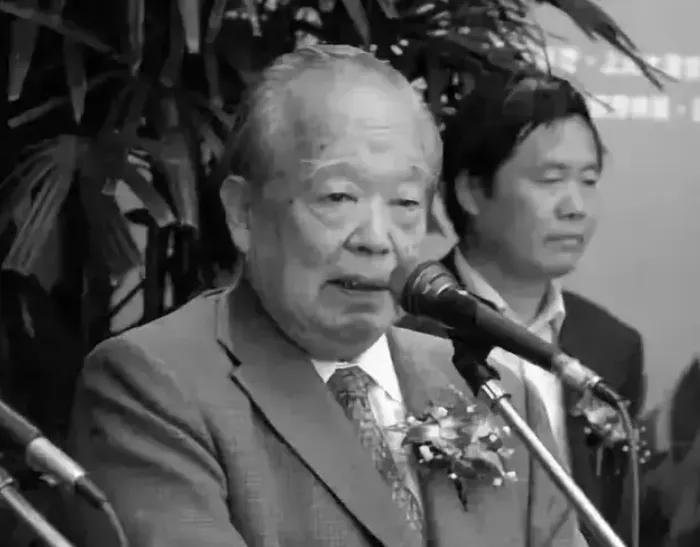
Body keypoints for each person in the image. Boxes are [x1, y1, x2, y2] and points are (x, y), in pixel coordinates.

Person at [64, 46, 588, 547]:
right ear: (243, 212)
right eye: (339, 196)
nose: (376, 239)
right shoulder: (154, 384)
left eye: (406, 203)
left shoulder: (498, 395)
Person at [400, 73, 646, 544]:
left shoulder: (613, 346)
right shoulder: (403, 334)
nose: (575, 206)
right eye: (551, 180)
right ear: (471, 191)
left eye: (589, 181)